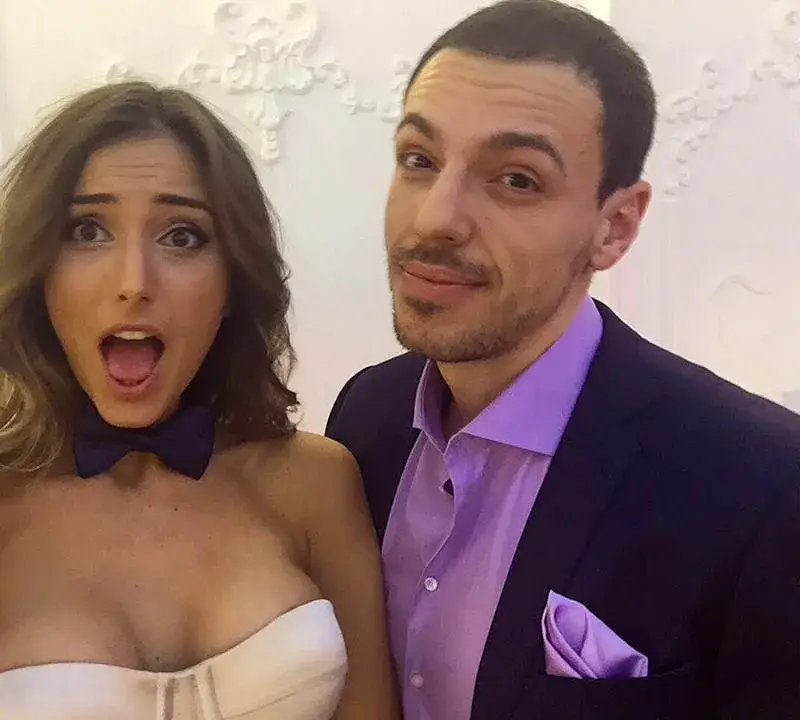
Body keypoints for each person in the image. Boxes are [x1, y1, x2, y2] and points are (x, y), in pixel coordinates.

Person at [325, 1, 800, 718]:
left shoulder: (762, 486)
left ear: (615, 227)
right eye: (419, 160)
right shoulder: (366, 415)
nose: (434, 219)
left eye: (517, 179)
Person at [0, 81, 399, 720]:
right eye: (87, 230)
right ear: (37, 270)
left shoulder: (316, 483)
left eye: (183, 237)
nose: (134, 283)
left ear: (233, 278)